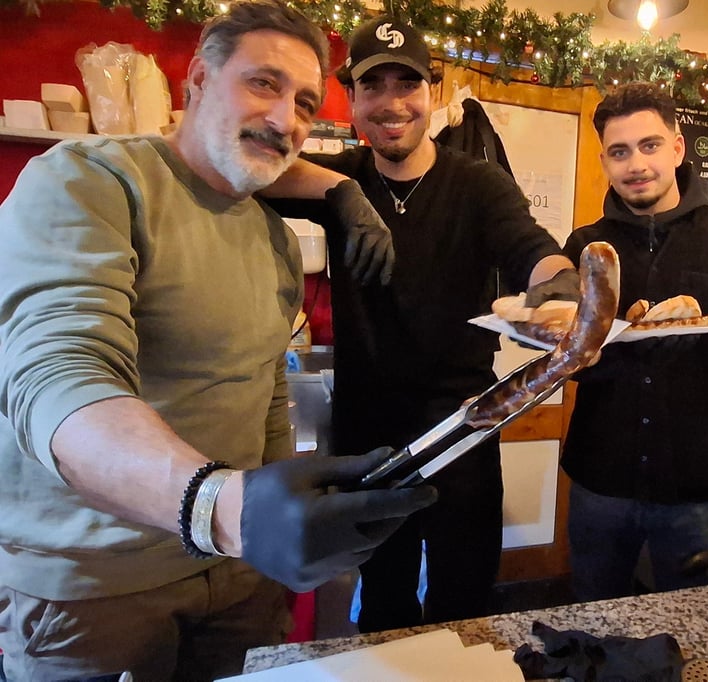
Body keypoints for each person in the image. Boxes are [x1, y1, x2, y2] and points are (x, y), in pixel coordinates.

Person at [0, 3, 436, 679]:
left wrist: (273, 515)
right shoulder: (89, 180)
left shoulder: (272, 239)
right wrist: (221, 507)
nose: (287, 118)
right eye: (264, 83)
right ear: (196, 80)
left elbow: (262, 389)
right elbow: (57, 377)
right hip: (97, 590)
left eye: (306, 101)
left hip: (234, 579)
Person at [265, 16, 578, 633]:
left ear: (431, 91)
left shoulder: (478, 185)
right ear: (350, 99)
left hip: (461, 426)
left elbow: (533, 249)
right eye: (371, 86)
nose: (390, 103)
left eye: (405, 83)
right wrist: (342, 194)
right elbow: (250, 171)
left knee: (463, 607)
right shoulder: (343, 176)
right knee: (383, 604)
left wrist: (559, 285)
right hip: (369, 437)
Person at [558, 82, 708, 602]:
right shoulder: (584, 248)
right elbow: (563, 359)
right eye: (619, 152)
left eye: (649, 145)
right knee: (592, 625)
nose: (636, 164)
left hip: (698, 491)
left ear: (678, 148)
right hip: (601, 483)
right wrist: (593, 354)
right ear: (604, 159)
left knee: (695, 635)